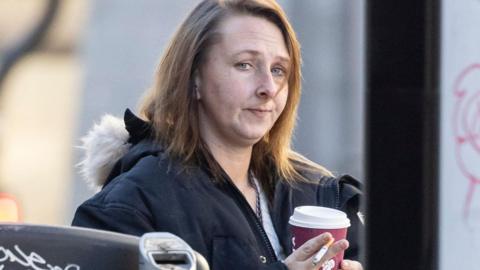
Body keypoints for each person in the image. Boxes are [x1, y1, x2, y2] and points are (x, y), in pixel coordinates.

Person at [72, 0, 363, 269]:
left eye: (278, 70)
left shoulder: (322, 194)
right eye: (244, 65)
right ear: (194, 76)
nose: (268, 88)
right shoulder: (134, 204)